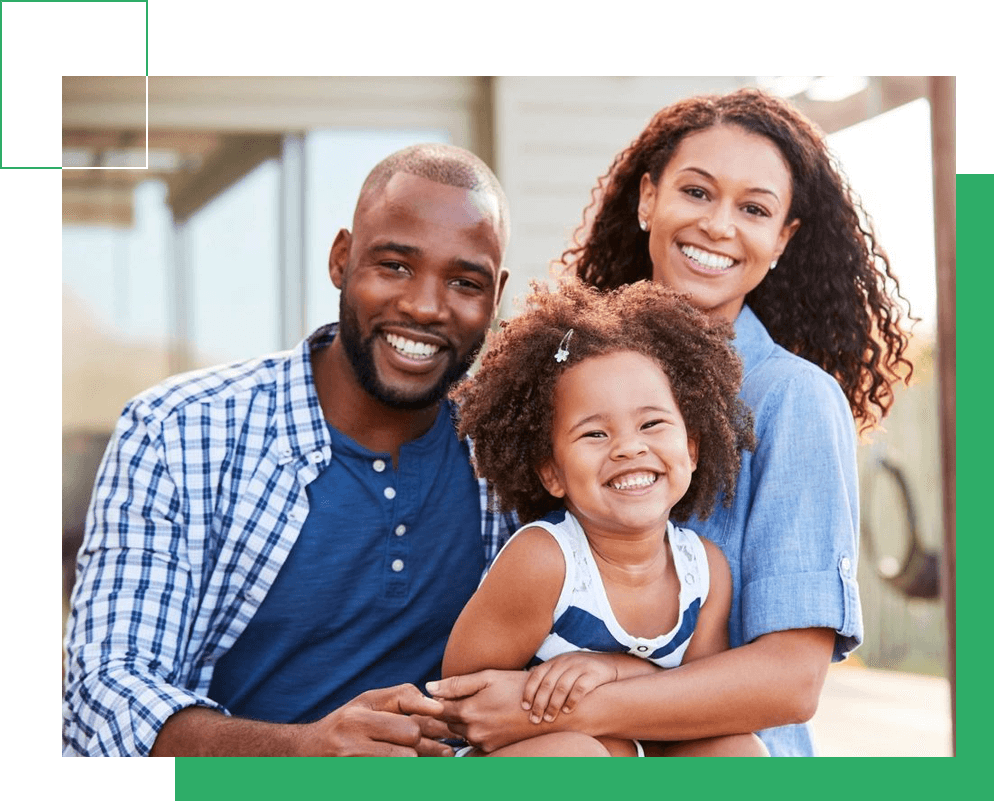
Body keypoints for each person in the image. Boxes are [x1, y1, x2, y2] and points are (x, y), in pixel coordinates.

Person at [429, 88, 914, 757]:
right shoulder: (566, 372)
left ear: (782, 239)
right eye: (696, 191)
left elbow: (791, 680)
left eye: (753, 208)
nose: (719, 225)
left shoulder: (794, 400)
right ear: (648, 198)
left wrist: (574, 701)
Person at [62, 143, 515, 757]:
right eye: (395, 266)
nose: (425, 306)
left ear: (495, 297)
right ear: (341, 259)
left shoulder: (509, 457)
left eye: (465, 282)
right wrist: (301, 753)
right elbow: (102, 694)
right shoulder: (180, 432)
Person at [441, 279, 766, 757]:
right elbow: (463, 703)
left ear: (692, 448)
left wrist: (616, 672)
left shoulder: (704, 572)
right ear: (552, 473)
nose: (629, 447)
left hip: (633, 756)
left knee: (736, 751)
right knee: (581, 757)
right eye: (595, 433)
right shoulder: (546, 561)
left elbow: (698, 704)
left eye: (652, 424)